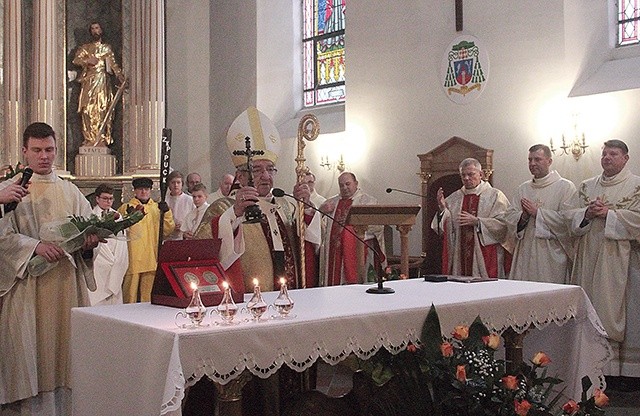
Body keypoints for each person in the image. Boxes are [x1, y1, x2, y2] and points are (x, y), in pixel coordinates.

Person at [0, 122, 100, 413]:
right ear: (24, 151)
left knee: (65, 354)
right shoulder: (10, 192)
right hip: (27, 288)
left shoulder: (71, 192)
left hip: (65, 285)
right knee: (30, 354)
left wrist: (89, 243)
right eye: (37, 150)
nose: (44, 156)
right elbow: (2, 237)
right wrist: (34, 247)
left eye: (50, 150)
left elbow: (87, 231)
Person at [210, 107, 321, 292]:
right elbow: (210, 249)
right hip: (249, 294)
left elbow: (312, 242)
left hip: (290, 291)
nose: (265, 176)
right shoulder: (223, 207)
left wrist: (307, 208)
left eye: (270, 169)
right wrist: (235, 214)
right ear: (241, 175)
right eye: (257, 170)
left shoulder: (285, 205)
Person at [568, 140, 640, 381]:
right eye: (604, 153)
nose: (607, 157)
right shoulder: (587, 186)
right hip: (588, 258)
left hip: (622, 262)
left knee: (621, 311)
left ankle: (624, 374)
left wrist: (610, 215)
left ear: (626, 158)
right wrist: (586, 214)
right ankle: (590, 368)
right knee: (589, 310)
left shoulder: (636, 186)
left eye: (614, 154)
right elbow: (569, 220)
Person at [502, 144, 577, 283]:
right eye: (530, 160)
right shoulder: (523, 188)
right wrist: (523, 216)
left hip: (551, 254)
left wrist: (538, 213)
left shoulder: (565, 187)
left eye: (537, 159)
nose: (532, 163)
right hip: (525, 250)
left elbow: (569, 221)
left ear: (549, 161)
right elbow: (510, 217)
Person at [431, 158, 511, 278]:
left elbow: (504, 225)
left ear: (481, 174)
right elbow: (442, 229)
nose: (467, 178)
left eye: (471, 174)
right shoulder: (454, 198)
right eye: (463, 175)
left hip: (486, 256)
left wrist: (478, 222)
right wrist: (443, 210)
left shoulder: (495, 196)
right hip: (459, 255)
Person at [319, 171, 386, 286]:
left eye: (347, 184)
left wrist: (350, 232)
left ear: (356, 183)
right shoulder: (331, 202)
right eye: (341, 185)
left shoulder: (368, 202)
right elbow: (319, 226)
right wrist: (321, 211)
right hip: (334, 254)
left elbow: (377, 226)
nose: (344, 187)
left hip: (359, 251)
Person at [117, 177, 174, 303]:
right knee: (130, 294)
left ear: (150, 191)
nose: (143, 192)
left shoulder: (156, 208)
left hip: (151, 257)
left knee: (147, 296)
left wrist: (167, 213)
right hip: (133, 257)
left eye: (146, 189)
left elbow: (167, 230)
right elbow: (119, 230)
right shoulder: (126, 207)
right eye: (140, 189)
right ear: (135, 191)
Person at [72, 22, 126, 147]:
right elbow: (76, 60)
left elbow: (113, 64)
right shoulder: (86, 47)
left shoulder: (106, 48)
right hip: (89, 81)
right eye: (92, 29)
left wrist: (120, 76)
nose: (95, 31)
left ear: (101, 30)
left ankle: (100, 137)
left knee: (101, 108)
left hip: (102, 81)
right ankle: (89, 138)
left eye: (97, 28)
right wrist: (87, 61)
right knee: (87, 109)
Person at [89, 183, 129, 305]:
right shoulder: (90, 216)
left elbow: (122, 243)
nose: (108, 201)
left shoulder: (118, 216)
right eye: (105, 198)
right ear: (97, 199)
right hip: (99, 265)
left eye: (111, 199)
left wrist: (118, 261)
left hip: (115, 262)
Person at [165, 170, 195, 240]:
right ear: (169, 184)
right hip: (168, 238)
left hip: (185, 237)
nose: (176, 185)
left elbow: (194, 219)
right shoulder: (164, 200)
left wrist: (184, 226)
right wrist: (170, 227)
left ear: (182, 184)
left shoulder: (189, 200)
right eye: (173, 182)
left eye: (178, 182)